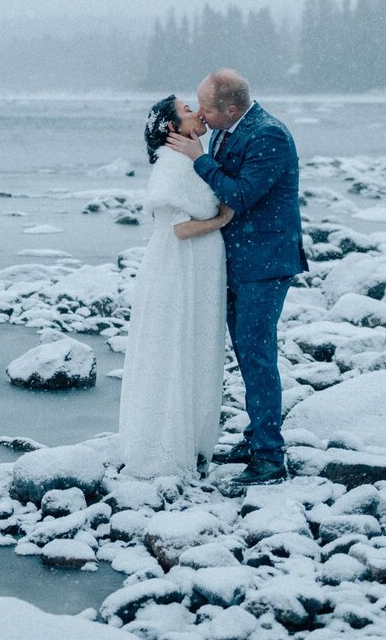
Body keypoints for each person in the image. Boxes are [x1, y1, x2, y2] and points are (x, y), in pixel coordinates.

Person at [165, 68, 306, 487]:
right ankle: (255, 437)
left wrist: (198, 160)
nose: (201, 117)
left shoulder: (269, 136)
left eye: (206, 107)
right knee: (247, 355)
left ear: (230, 108)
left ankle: (269, 457)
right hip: (239, 261)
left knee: (258, 356)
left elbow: (241, 195)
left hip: (265, 264)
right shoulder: (228, 130)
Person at [118, 95, 235, 479]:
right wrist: (222, 219)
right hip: (177, 270)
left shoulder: (192, 160)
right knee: (175, 347)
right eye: (188, 111)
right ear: (172, 129)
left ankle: (193, 442)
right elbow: (178, 228)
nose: (198, 113)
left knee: (196, 347)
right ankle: (162, 447)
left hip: (197, 270)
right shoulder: (171, 166)